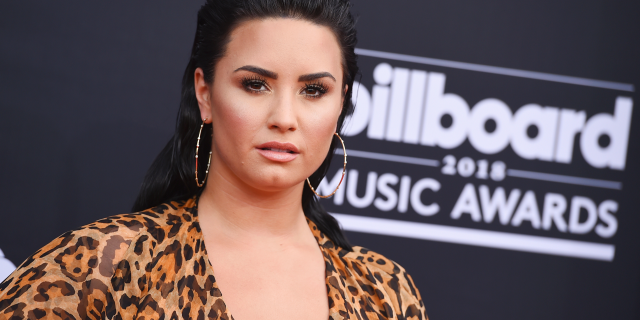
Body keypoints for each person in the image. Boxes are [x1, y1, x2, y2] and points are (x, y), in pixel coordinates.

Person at [0, 1, 428, 319]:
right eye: (255, 84)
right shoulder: (107, 264)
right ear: (204, 93)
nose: (284, 118)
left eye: (313, 90)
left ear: (342, 102)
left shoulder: (384, 294)